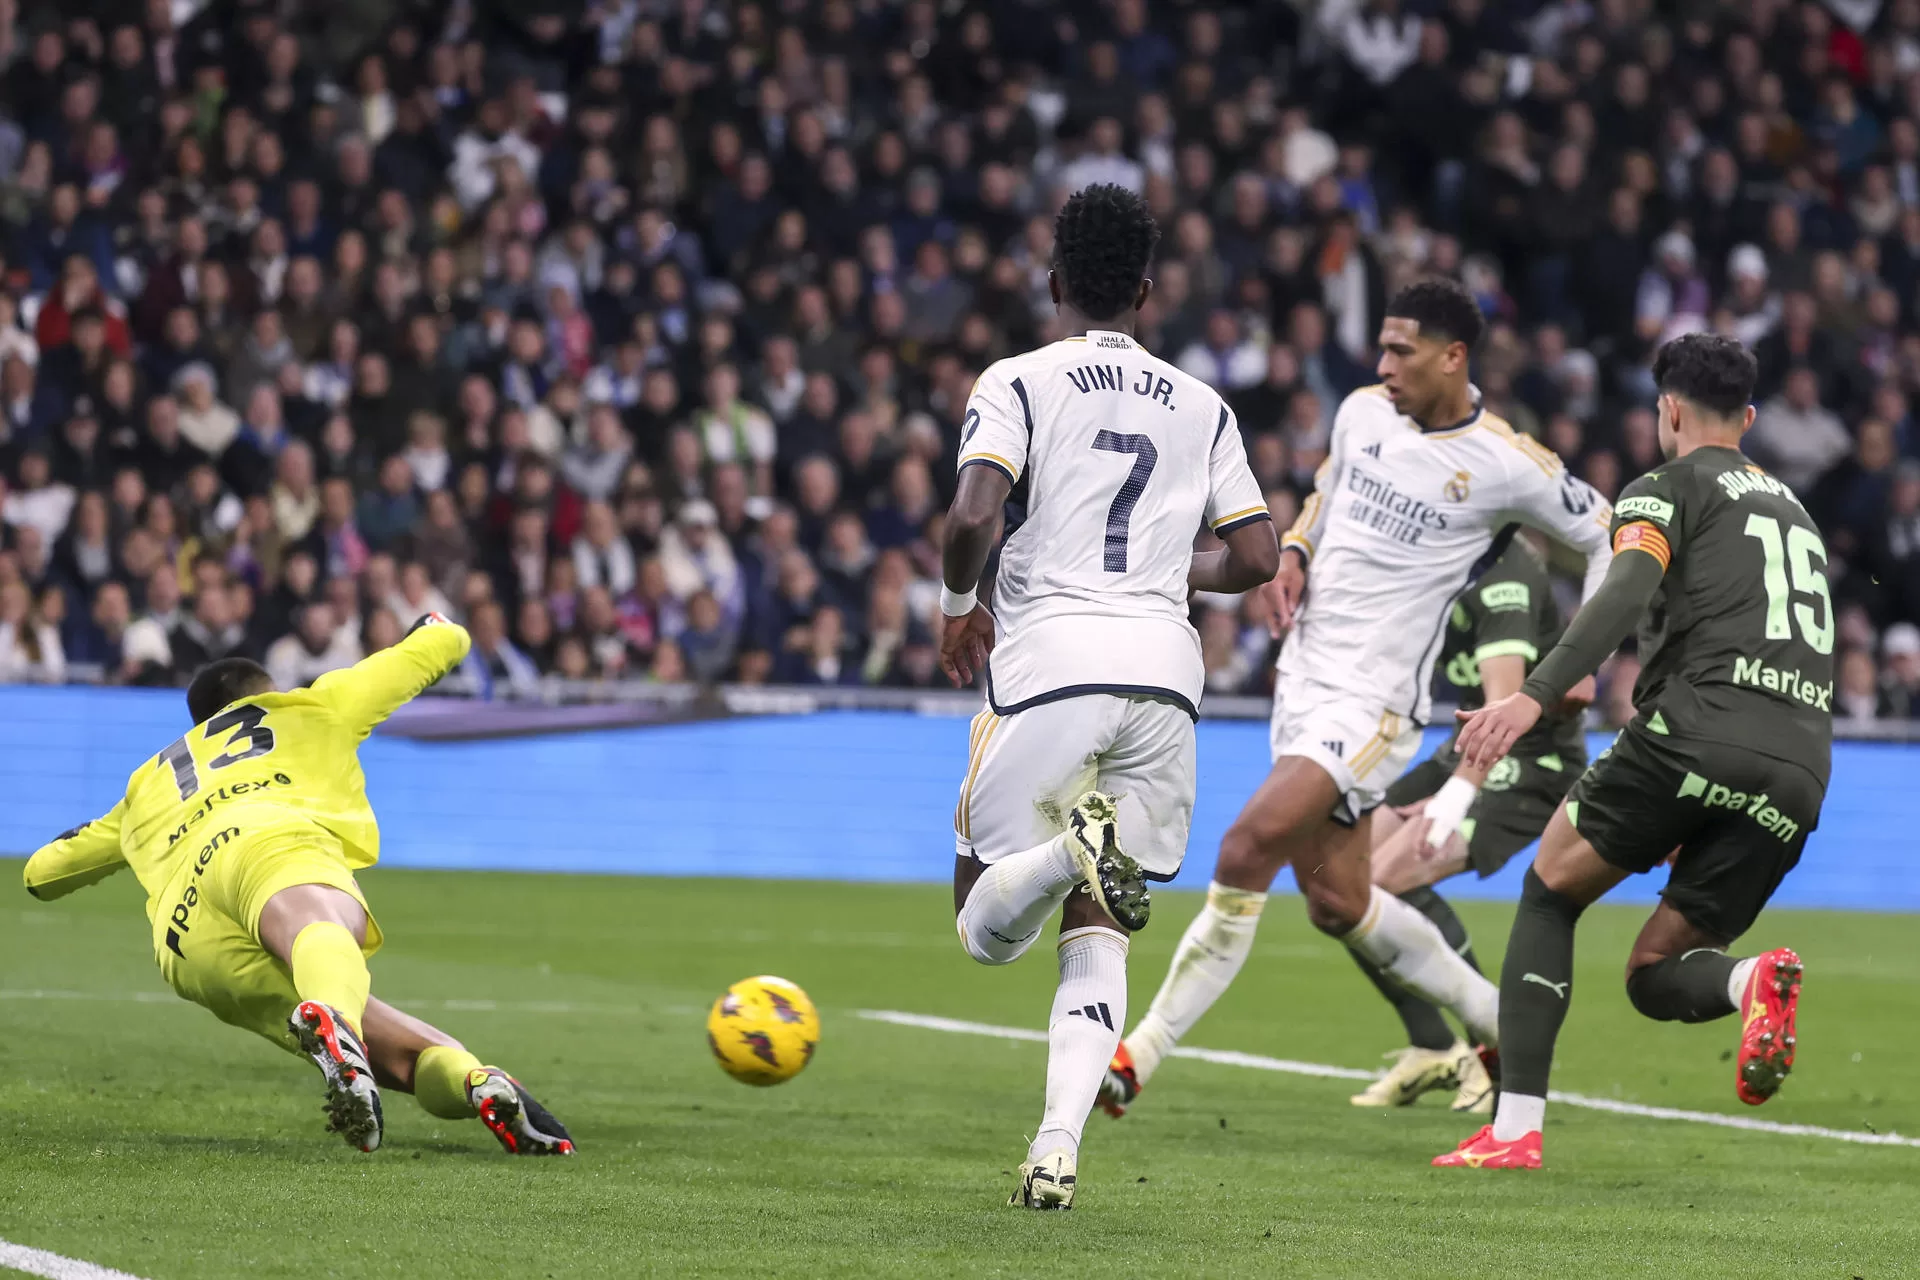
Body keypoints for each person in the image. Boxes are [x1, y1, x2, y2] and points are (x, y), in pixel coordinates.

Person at [1101, 278, 1614, 1121]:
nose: (1383, 365)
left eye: (1402, 351)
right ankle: (1497, 1023)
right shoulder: (1361, 411)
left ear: (1454, 357)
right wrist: (1297, 550)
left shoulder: (1506, 462)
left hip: (1372, 706)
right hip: (1304, 678)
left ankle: (1138, 1053)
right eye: (1381, 346)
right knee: (1338, 900)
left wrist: (1581, 657)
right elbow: (1327, 492)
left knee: (1247, 845)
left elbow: (1610, 536)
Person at [938, 184, 1278, 1210]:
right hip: (1166, 677)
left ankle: (1062, 850)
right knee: (1100, 928)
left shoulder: (1018, 380)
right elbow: (1257, 555)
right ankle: (1056, 1144)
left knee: (981, 928)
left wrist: (958, 604)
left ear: (1053, 285)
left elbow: (973, 513)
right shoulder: (1203, 404)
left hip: (1054, 660)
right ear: (1146, 290)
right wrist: (1176, 570)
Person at [1435, 333, 1826, 1170]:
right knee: (1657, 970)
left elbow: (1624, 589)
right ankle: (1749, 979)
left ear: (1669, 410)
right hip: (1800, 771)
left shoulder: (1665, 488)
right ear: (1750, 417)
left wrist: (1532, 694)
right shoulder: (1798, 514)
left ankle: (1514, 1131)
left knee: (1550, 890)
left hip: (1697, 732)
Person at [21, 613, 574, 1157]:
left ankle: (475, 1082)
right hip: (264, 838)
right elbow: (445, 642)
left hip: (186, 940)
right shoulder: (306, 708)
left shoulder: (148, 782)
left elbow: (42, 875)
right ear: (268, 692)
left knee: (392, 1052)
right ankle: (337, 1022)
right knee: (322, 924)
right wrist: (431, 626)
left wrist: (85, 839)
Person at [1346, 536, 1594, 1114]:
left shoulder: (1504, 573)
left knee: (1383, 882)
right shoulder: (1436, 558)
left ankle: (1493, 1050)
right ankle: (1433, 1046)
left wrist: (1454, 796)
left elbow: (1523, 701)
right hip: (1460, 748)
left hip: (1527, 762)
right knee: (1337, 884)